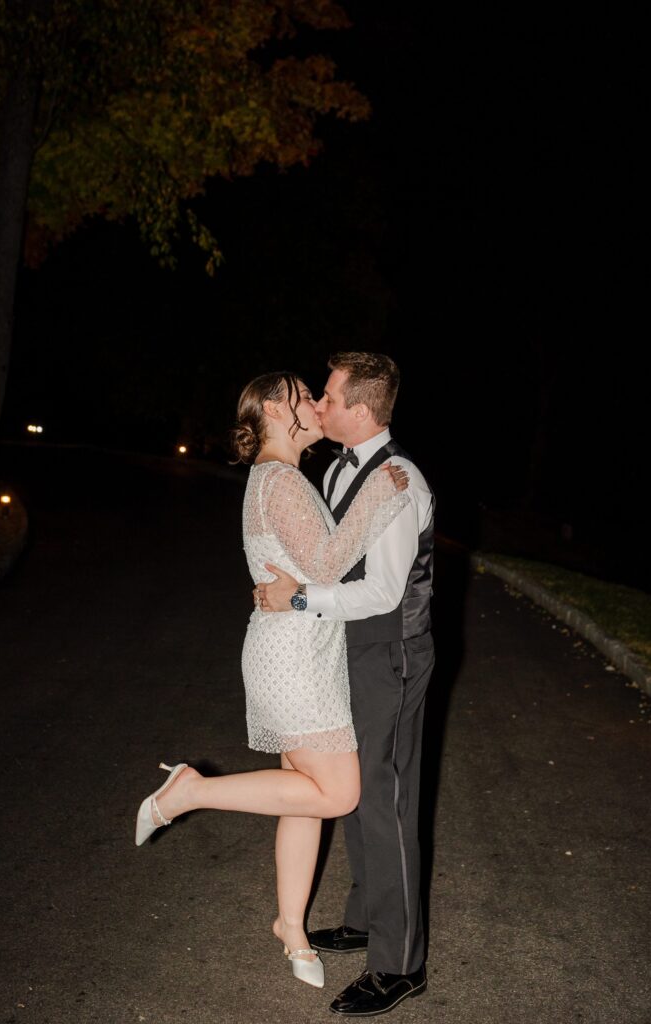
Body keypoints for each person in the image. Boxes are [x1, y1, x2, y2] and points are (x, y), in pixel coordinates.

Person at [134, 371, 410, 992]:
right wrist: (377, 496)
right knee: (337, 794)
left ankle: (291, 926)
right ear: (268, 411)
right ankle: (190, 792)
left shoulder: (277, 477)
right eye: (301, 395)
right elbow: (325, 563)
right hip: (294, 662)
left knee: (301, 795)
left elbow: (308, 569)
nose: (314, 403)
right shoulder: (281, 479)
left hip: (298, 652)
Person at [257, 352, 435, 1016]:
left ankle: (398, 963)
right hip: (342, 650)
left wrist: (299, 600)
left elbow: (384, 591)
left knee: (384, 804)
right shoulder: (334, 468)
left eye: (327, 397)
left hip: (387, 653)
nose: (318, 406)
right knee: (352, 789)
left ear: (360, 411)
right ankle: (364, 917)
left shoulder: (399, 481)